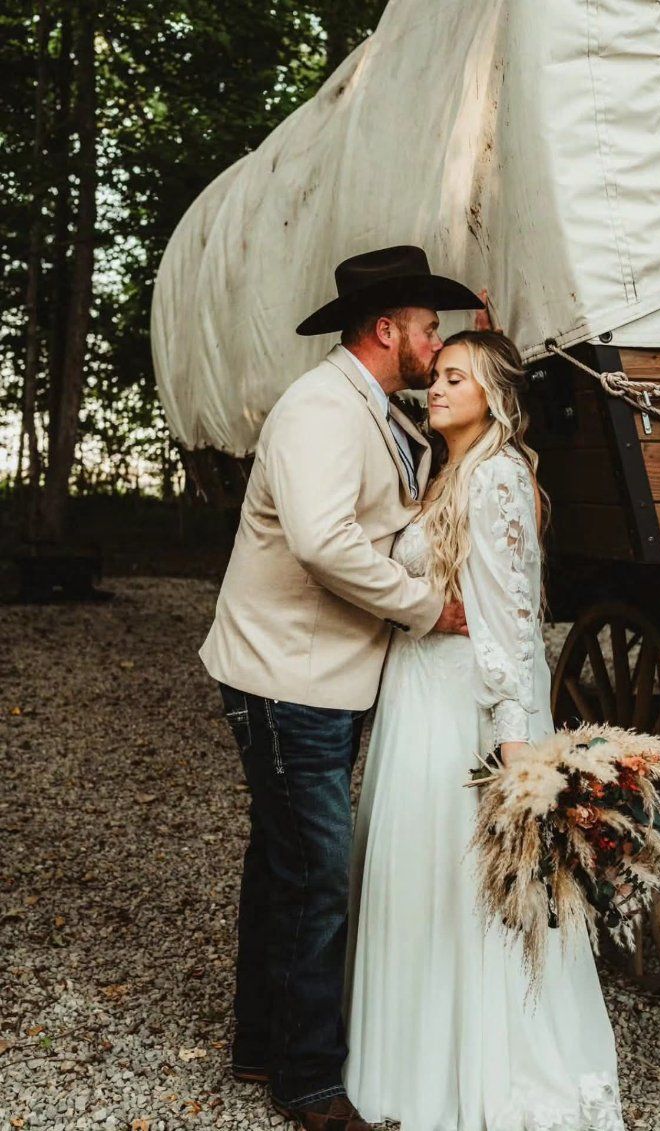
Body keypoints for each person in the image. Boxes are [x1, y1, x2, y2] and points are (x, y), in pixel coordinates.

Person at [199, 245, 484, 1131]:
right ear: (386, 328)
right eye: (430, 329)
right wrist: (426, 610)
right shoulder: (321, 409)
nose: (436, 347)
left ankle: (260, 1042)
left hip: (318, 673)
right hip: (289, 678)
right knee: (317, 874)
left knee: (281, 859)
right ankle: (311, 1082)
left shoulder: (373, 407)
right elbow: (325, 542)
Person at [344, 330, 626, 1131]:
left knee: (471, 892)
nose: (435, 386)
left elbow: (508, 623)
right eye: (434, 374)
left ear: (495, 397)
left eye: (455, 377)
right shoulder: (448, 472)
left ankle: (491, 1072)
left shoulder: (498, 477)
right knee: (421, 883)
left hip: (460, 710)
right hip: (417, 700)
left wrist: (513, 744)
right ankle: (412, 1064)